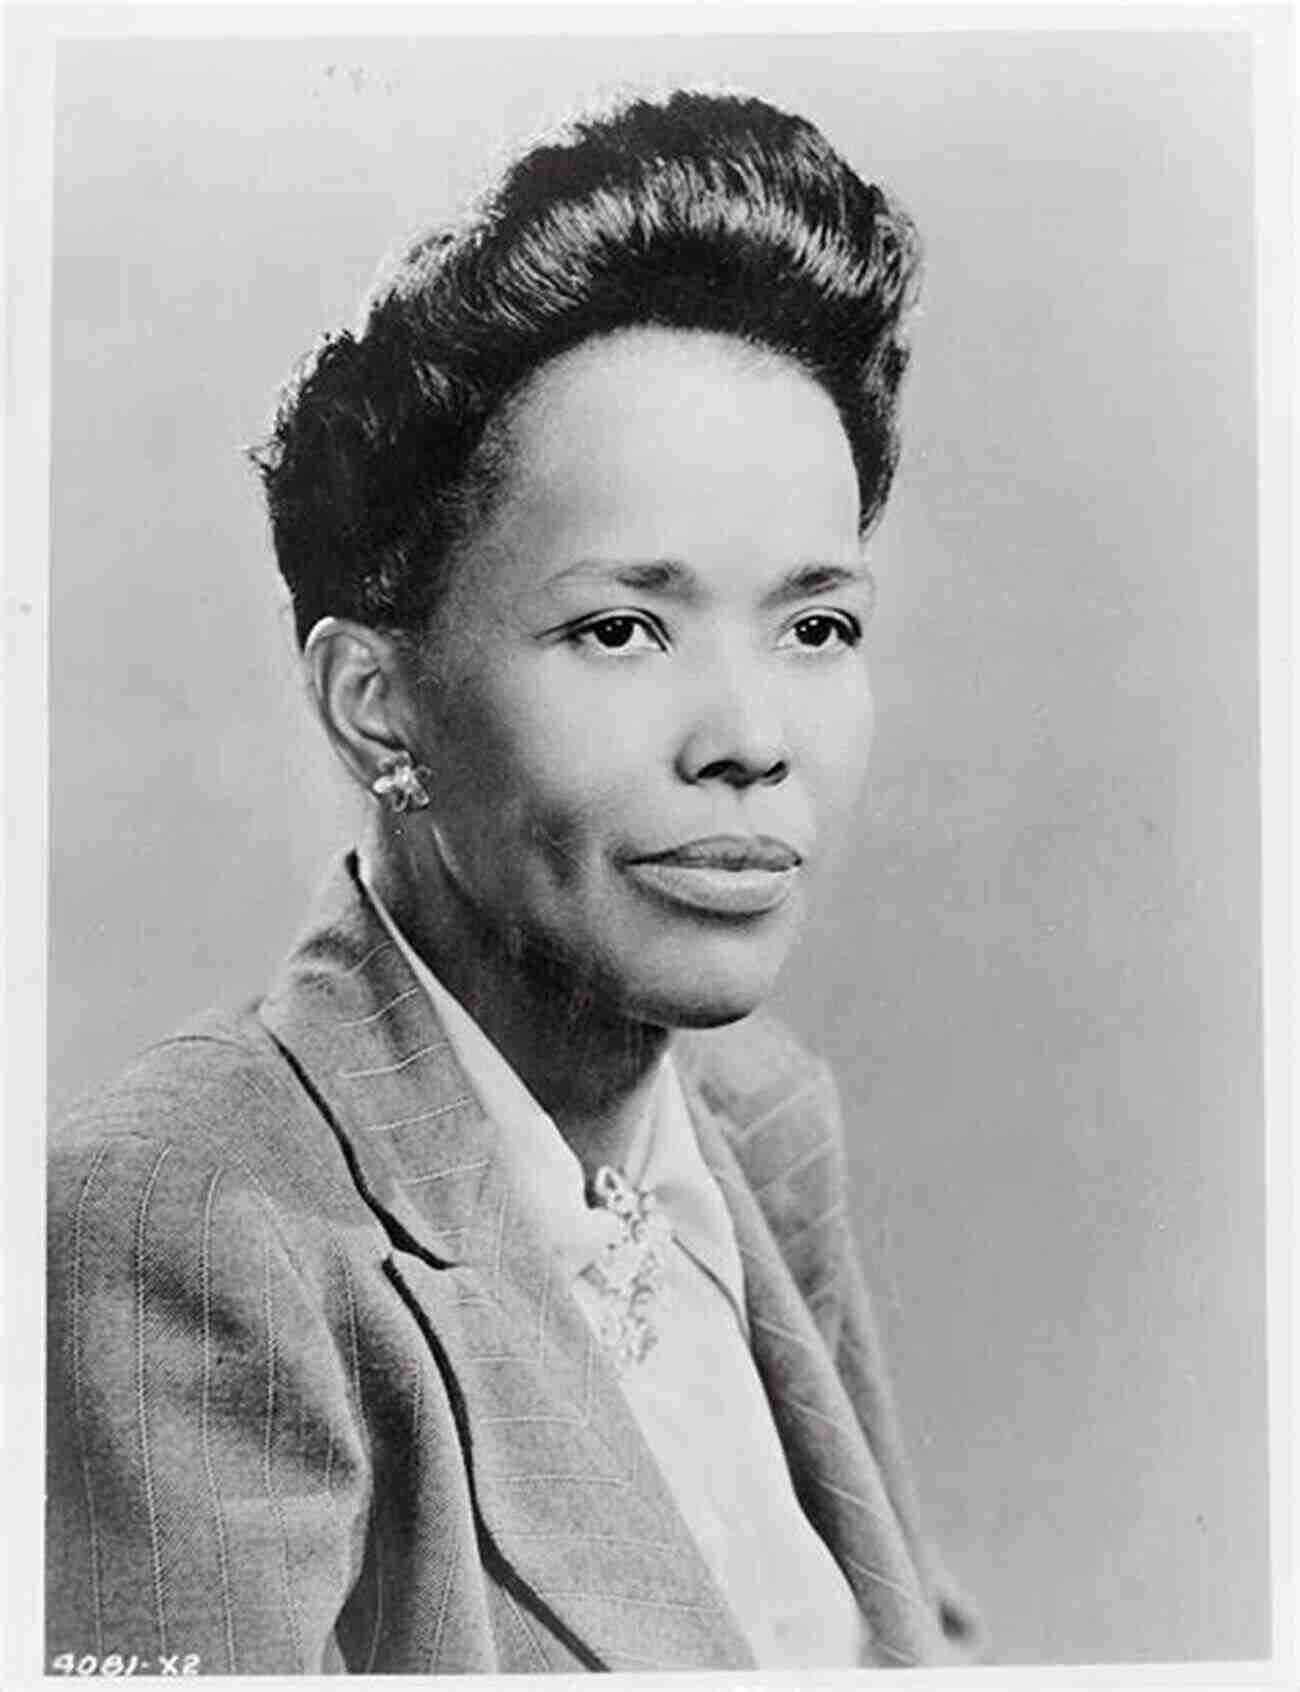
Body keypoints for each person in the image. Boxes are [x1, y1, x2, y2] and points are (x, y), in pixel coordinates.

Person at [45, 89, 982, 1674]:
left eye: (817, 626)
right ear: (379, 704)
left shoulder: (759, 1115)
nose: (754, 739)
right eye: (622, 628)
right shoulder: (196, 1222)